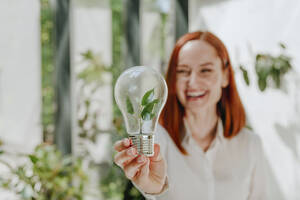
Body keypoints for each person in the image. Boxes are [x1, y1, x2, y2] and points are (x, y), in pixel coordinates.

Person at [113, 31, 268, 200]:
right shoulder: (159, 139)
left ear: (225, 76)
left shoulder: (251, 145)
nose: (193, 82)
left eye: (205, 70)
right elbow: (152, 184)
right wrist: (155, 187)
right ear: (173, 79)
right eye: (183, 71)